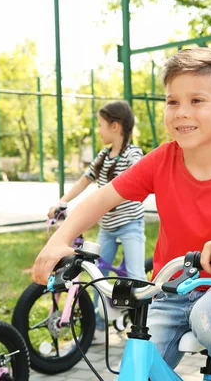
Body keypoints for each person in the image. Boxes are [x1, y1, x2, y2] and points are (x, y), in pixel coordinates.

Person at [33, 47, 211, 380]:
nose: (181, 112)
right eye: (172, 102)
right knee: (137, 366)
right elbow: (101, 198)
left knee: (210, 313)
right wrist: (60, 240)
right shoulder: (160, 160)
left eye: (196, 101)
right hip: (168, 293)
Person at [46, 100, 146, 344]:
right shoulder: (103, 155)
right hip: (108, 227)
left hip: (131, 222)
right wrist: (63, 201)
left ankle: (147, 325)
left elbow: (137, 181)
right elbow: (85, 180)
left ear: (115, 126)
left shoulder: (133, 155)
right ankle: (99, 328)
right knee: (97, 276)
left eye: (101, 125)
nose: (98, 130)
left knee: (136, 276)